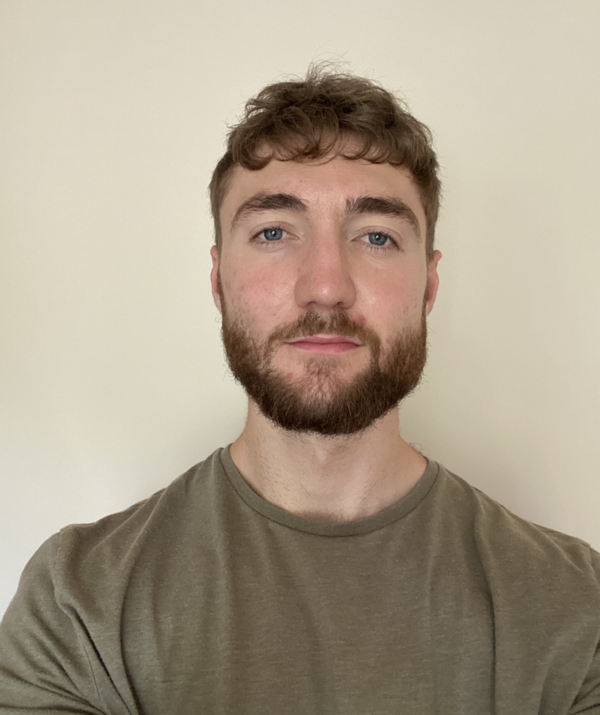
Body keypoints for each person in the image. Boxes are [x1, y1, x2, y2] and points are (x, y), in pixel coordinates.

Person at [0, 66, 599, 715]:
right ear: (218, 279)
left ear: (429, 285)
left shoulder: (575, 611)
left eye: (376, 236)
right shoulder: (79, 607)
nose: (324, 286)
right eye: (274, 232)